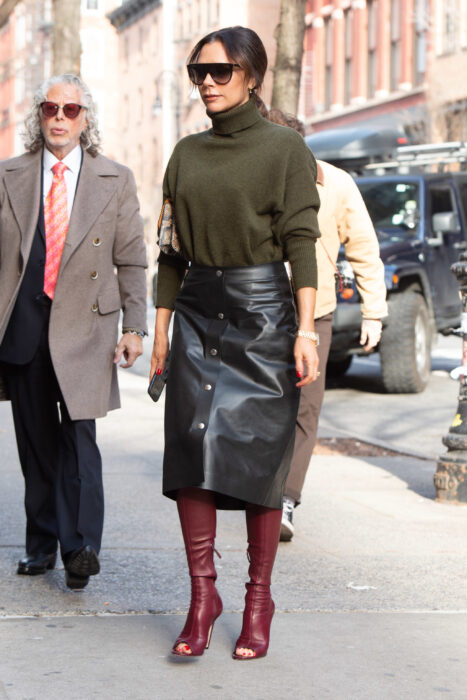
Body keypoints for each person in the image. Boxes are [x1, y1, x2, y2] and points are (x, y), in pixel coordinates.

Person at [151, 27, 320, 660]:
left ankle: (257, 599)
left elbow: (303, 242)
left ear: (252, 76)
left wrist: (305, 329)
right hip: (195, 314)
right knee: (191, 456)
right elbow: (169, 251)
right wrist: (161, 331)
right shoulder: (185, 153)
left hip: (263, 315)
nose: (208, 83)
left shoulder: (284, 150)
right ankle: (202, 598)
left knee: (255, 462)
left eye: (221, 71)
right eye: (199, 72)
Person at [0, 74, 147, 589]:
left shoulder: (115, 178)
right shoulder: (9, 175)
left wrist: (135, 326)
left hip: (86, 327)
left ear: (87, 120)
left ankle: (81, 546)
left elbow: (131, 259)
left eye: (71, 109)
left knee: (79, 438)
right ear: (38, 116)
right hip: (23, 325)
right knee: (36, 444)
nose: (60, 117)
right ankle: (41, 544)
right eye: (50, 108)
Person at [266, 109, 387, 542]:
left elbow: (364, 248)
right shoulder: (258, 178)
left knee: (305, 409)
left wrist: (373, 312)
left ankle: (286, 499)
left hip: (315, 314)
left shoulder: (335, 183)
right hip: (259, 311)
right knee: (261, 404)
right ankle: (258, 488)